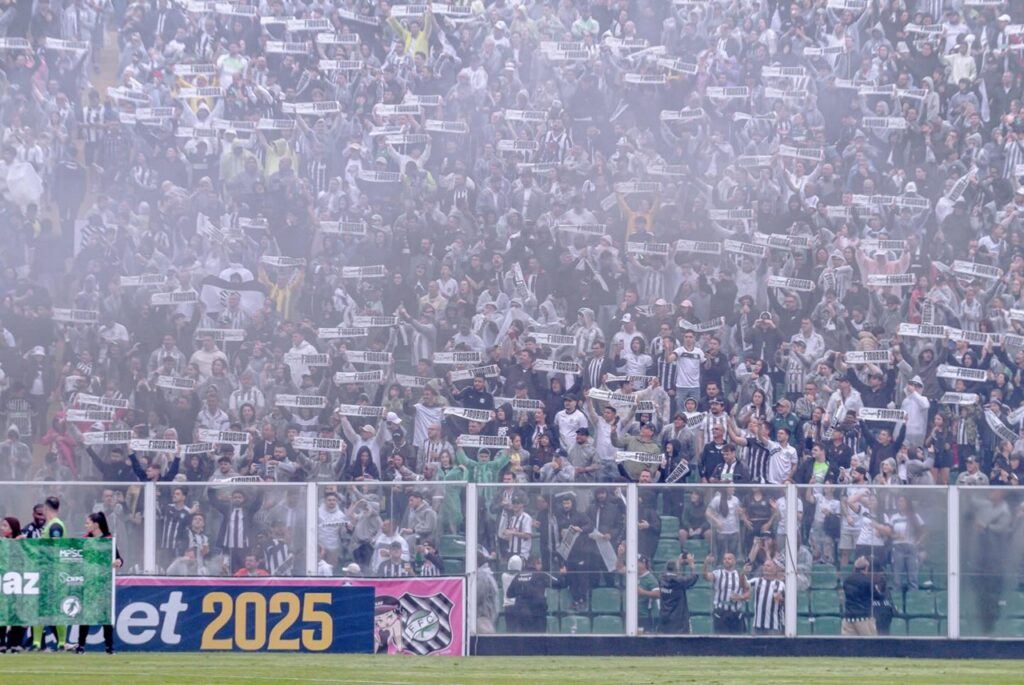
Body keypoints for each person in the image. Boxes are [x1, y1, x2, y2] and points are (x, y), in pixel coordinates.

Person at [76, 512, 122, 654]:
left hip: (103, 584)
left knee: (105, 615)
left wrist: (118, 562)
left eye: (88, 523)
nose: (86, 525)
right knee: (85, 616)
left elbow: (119, 559)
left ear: (96, 524)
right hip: (88, 583)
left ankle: (109, 646)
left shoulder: (108, 540)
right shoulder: (85, 540)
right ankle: (81, 646)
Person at [702, 552, 749, 635]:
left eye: (729, 559)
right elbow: (706, 576)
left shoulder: (740, 575)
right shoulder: (718, 573)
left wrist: (740, 597)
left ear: (734, 561)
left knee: (737, 642)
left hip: (736, 613)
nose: (726, 561)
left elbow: (747, 593)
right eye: (724, 559)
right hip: (721, 613)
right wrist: (706, 564)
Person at [657, 554, 699, 634]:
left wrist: (678, 562)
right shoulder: (680, 582)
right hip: (678, 622)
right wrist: (692, 565)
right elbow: (694, 578)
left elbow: (670, 573)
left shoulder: (661, 578)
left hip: (665, 619)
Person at [842, 556, 881, 636]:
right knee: (870, 644)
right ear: (866, 568)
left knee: (848, 644)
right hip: (863, 616)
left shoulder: (846, 580)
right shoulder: (867, 582)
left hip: (848, 617)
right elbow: (877, 597)